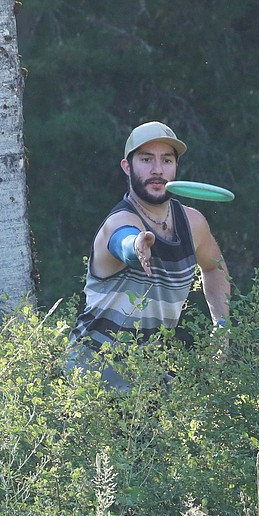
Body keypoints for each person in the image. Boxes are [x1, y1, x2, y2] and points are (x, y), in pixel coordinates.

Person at [67, 121, 231, 391]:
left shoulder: (193, 223)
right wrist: (136, 245)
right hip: (89, 380)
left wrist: (221, 326)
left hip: (148, 378)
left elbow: (215, 268)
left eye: (166, 160)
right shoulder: (119, 221)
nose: (157, 169)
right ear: (127, 167)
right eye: (146, 159)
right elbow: (123, 241)